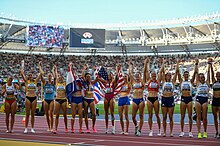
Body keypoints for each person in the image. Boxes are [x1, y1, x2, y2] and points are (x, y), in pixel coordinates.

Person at [21, 61, 42, 133]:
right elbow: (22, 73)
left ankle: (32, 128)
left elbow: (41, 74)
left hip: (34, 98)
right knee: (27, 114)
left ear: (32, 76)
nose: (30, 76)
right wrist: (22, 65)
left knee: (33, 114)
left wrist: (39, 66)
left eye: (31, 75)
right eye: (29, 75)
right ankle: (26, 128)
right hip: (28, 97)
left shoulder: (35, 82)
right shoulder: (27, 82)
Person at [177, 60, 196, 138]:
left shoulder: (190, 82)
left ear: (188, 76)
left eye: (187, 75)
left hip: (189, 99)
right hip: (183, 99)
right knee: (182, 116)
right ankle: (182, 131)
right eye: (185, 75)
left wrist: (196, 64)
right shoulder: (181, 81)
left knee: (190, 116)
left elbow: (195, 74)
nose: (186, 76)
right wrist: (177, 64)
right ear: (183, 76)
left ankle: (190, 131)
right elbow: (178, 73)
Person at [129, 58, 148, 136]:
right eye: (136, 76)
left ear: (140, 76)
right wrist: (131, 66)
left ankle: (139, 130)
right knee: (133, 116)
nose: (137, 77)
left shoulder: (142, 82)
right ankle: (136, 125)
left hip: (140, 100)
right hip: (134, 100)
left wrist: (145, 64)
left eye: (138, 76)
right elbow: (130, 73)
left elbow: (144, 72)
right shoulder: (133, 81)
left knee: (141, 115)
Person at [159, 58, 178, 137]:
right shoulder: (163, 81)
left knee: (170, 116)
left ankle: (171, 132)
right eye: (168, 75)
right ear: (166, 76)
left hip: (170, 99)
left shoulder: (172, 82)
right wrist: (163, 63)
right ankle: (164, 132)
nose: (169, 77)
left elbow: (176, 73)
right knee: (164, 116)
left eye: (170, 76)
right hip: (164, 98)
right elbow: (162, 72)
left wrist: (177, 64)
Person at [82, 64, 102, 133]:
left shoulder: (92, 83)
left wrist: (96, 70)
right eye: (87, 77)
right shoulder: (84, 83)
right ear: (85, 78)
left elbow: (97, 79)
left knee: (94, 114)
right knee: (86, 114)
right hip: (86, 99)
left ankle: (93, 126)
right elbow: (82, 75)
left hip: (91, 99)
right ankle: (87, 128)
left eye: (89, 77)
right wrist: (84, 69)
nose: (88, 78)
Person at [193, 59, 210, 139]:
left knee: (205, 117)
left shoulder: (207, 83)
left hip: (205, 99)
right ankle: (199, 132)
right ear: (199, 78)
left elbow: (209, 73)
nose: (202, 78)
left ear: (204, 78)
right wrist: (196, 64)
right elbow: (196, 73)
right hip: (198, 99)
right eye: (201, 77)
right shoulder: (198, 83)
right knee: (198, 117)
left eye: (203, 77)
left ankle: (205, 132)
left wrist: (209, 65)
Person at [145, 57, 161, 136]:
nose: (154, 77)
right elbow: (147, 72)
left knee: (157, 115)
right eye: (153, 76)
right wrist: (147, 63)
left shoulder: (158, 80)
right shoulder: (149, 80)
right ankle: (150, 130)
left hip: (156, 98)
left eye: (155, 76)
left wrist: (162, 63)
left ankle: (159, 129)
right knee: (150, 115)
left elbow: (161, 72)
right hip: (149, 98)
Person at [40, 63, 56, 132]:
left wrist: (54, 70)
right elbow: (41, 76)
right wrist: (40, 66)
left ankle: (52, 127)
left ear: (51, 77)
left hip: (52, 99)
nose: (49, 77)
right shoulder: (45, 83)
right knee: (46, 114)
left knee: (51, 113)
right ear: (47, 77)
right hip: (46, 100)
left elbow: (55, 78)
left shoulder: (53, 83)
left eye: (50, 76)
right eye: (48, 76)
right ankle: (49, 127)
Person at [69, 63, 84, 133]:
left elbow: (83, 76)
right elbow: (71, 74)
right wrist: (71, 66)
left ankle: (80, 128)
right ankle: (72, 128)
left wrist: (84, 69)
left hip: (80, 98)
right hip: (74, 98)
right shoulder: (73, 82)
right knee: (73, 114)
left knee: (80, 114)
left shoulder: (81, 82)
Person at [53, 65, 68, 134]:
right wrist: (55, 69)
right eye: (59, 78)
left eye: (61, 78)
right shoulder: (57, 84)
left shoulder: (65, 84)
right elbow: (55, 76)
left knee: (65, 115)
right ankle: (55, 128)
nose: (60, 79)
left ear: (63, 79)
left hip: (64, 99)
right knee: (57, 115)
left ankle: (66, 127)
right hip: (57, 99)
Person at [118, 67, 131, 135]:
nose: (125, 77)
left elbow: (128, 92)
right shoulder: (121, 84)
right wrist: (120, 69)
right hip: (120, 99)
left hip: (125, 98)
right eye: (124, 76)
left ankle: (127, 130)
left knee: (126, 115)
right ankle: (122, 130)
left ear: (128, 77)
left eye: (126, 76)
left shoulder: (128, 84)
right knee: (120, 116)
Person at [209, 59, 220, 138]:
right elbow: (212, 74)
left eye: (219, 76)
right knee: (215, 117)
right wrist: (211, 65)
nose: (218, 77)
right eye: (217, 76)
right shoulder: (214, 82)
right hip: (214, 100)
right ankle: (216, 132)